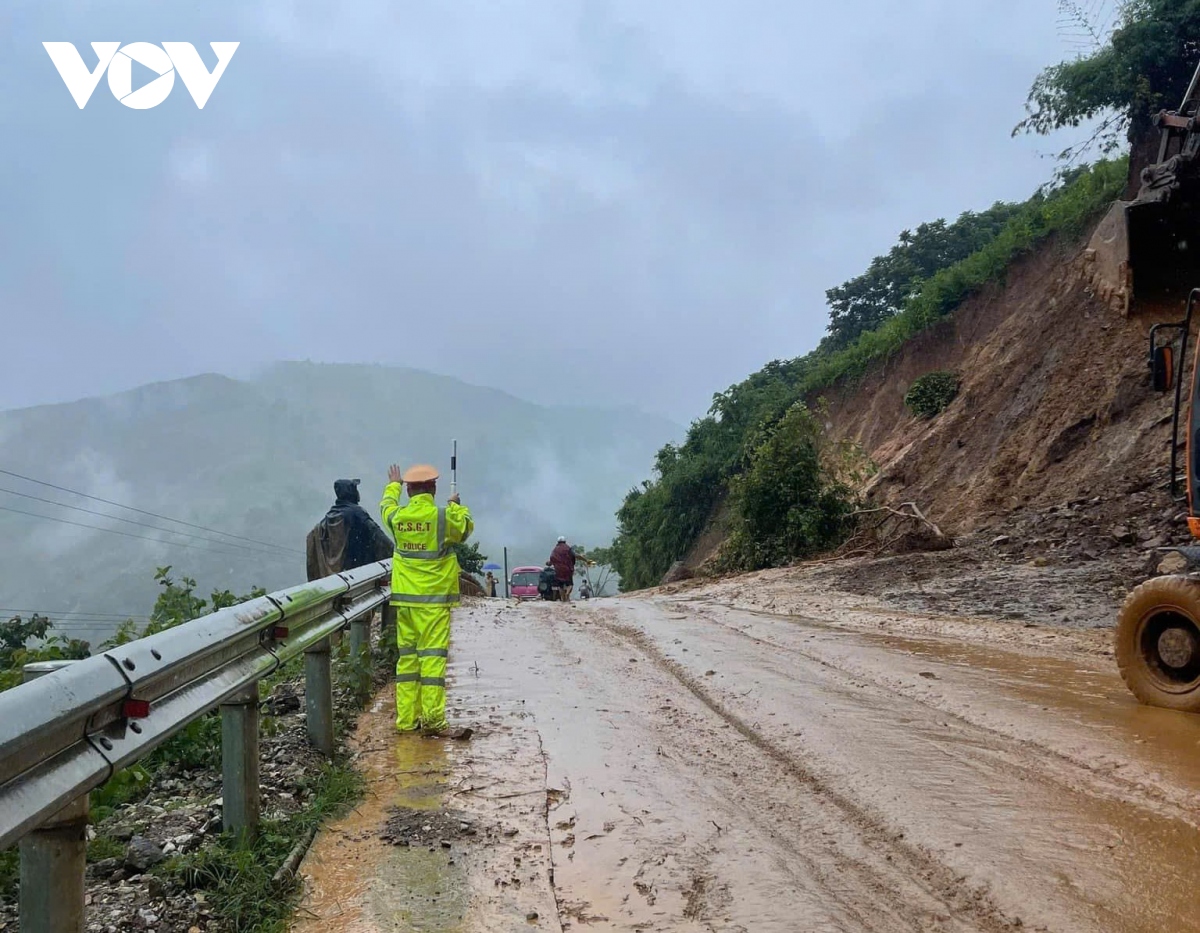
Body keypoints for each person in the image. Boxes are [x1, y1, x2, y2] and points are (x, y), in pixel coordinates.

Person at [381, 463, 474, 739]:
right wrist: (456, 504)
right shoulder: (443, 517)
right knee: (432, 661)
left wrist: (393, 485)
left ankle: (407, 720)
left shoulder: (397, 517)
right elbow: (465, 528)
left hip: (405, 602)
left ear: (408, 490)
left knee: (408, 662)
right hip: (432, 602)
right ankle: (433, 720)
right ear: (432, 488)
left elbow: (385, 506)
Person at [306, 478, 394, 581]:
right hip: (358, 575)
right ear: (351, 492)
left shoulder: (329, 517)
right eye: (355, 489)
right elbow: (380, 538)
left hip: (338, 578)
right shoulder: (357, 514)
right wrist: (397, 554)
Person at [549, 536, 578, 602]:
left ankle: (563, 599)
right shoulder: (568, 548)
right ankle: (567, 594)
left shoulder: (555, 550)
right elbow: (573, 556)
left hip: (558, 570)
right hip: (567, 569)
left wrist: (551, 563)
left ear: (558, 542)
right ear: (565, 541)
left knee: (560, 586)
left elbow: (552, 558)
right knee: (570, 584)